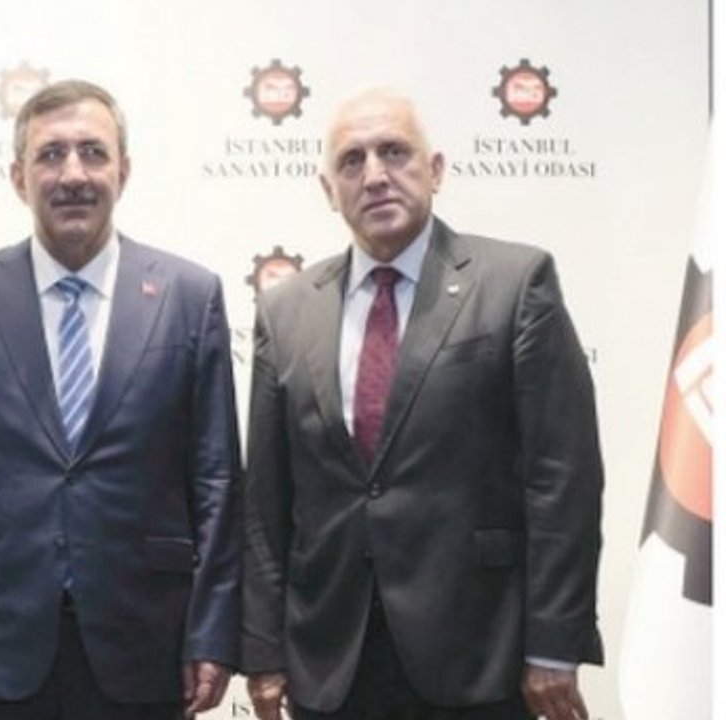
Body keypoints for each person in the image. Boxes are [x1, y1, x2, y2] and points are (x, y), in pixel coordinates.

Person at [241, 87, 604, 720]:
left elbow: (563, 480)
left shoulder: (516, 284)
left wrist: (554, 643)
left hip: (481, 655)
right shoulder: (285, 310)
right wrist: (263, 649)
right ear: (328, 190)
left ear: (434, 170)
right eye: (351, 161)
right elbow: (265, 503)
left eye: (394, 152)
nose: (375, 175)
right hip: (332, 662)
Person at [0, 79, 241, 720]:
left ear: (124, 171)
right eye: (50, 154)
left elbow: (217, 481)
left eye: (93, 152)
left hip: (148, 642)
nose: (73, 174)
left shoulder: (189, 295)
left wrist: (211, 631)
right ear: (18, 177)